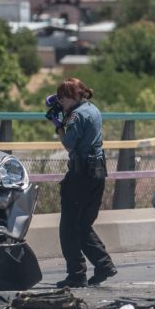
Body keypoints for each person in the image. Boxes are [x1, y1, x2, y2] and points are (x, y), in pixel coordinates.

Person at [50, 78, 117, 288]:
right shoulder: (93, 110)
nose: (61, 102)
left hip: (81, 174)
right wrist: (64, 114)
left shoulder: (77, 115)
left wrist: (58, 125)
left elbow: (69, 144)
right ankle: (103, 264)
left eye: (63, 98)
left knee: (69, 226)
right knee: (83, 224)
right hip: (97, 171)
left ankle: (76, 274)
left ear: (74, 96)